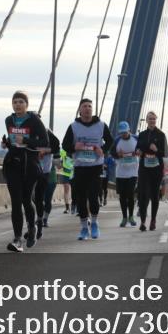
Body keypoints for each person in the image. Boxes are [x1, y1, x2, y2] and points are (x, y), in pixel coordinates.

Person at [0, 91, 49, 251]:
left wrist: (26, 140)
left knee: (26, 200)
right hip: (13, 163)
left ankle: (32, 229)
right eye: (15, 102)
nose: (17, 104)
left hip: (30, 164)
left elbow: (45, 142)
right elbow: (13, 140)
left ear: (26, 104)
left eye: (21, 102)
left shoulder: (34, 120)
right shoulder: (9, 120)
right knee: (15, 201)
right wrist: (7, 143)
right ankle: (17, 239)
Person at [63, 99, 113, 240]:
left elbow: (110, 141)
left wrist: (102, 149)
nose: (87, 108)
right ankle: (84, 228)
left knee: (93, 197)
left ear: (93, 109)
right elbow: (65, 144)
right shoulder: (73, 126)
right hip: (79, 167)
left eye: (90, 106)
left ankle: (95, 223)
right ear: (80, 110)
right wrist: (74, 147)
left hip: (95, 166)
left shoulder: (101, 125)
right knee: (80, 199)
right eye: (84, 106)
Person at [135, 111, 168, 231]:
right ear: (147, 120)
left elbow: (164, 153)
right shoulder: (142, 134)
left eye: (154, 119)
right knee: (143, 195)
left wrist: (156, 149)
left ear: (156, 120)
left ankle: (153, 220)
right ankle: (143, 221)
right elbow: (138, 148)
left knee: (154, 195)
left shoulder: (161, 134)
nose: (152, 121)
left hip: (156, 169)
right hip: (144, 168)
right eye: (150, 119)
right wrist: (139, 151)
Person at [113, 122, 139, 227]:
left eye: (125, 132)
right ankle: (124, 217)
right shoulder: (117, 140)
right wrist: (117, 155)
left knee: (130, 194)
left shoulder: (136, 139)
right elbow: (110, 153)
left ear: (129, 130)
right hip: (121, 173)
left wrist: (138, 151)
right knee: (122, 197)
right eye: (122, 133)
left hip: (133, 172)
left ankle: (131, 217)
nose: (123, 134)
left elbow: (143, 149)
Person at [57, 147, 74, 213]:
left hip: (74, 174)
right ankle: (67, 207)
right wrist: (60, 163)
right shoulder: (63, 151)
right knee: (66, 190)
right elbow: (59, 160)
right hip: (66, 174)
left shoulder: (75, 149)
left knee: (75, 191)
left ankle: (74, 206)